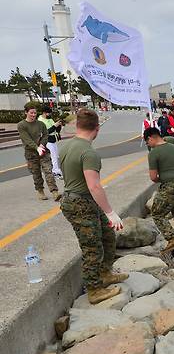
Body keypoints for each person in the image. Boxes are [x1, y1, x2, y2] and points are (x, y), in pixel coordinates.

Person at [59, 108, 128, 304]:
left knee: (107, 236)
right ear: (97, 129)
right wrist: (110, 212)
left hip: (80, 200)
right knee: (92, 248)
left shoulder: (66, 147)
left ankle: (105, 273)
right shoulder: (89, 152)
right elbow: (94, 186)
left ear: (77, 125)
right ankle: (94, 290)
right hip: (80, 202)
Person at [144, 128, 174, 256]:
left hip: (170, 186)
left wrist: (164, 178)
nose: (148, 145)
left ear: (150, 138)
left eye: (147, 142)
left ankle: (172, 239)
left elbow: (153, 177)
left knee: (157, 213)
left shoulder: (154, 153)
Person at [17, 103, 61, 201]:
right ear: (26, 112)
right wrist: (37, 148)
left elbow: (45, 135)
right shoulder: (21, 125)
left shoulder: (41, 124)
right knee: (36, 173)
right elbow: (26, 139)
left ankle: (54, 192)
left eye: (35, 113)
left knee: (48, 170)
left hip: (43, 151)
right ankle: (40, 191)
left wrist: (42, 144)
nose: (33, 115)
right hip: (31, 153)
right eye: (31, 113)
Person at [39, 107, 63, 178]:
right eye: (48, 113)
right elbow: (45, 132)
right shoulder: (40, 121)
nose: (49, 114)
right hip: (47, 141)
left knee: (55, 156)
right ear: (44, 113)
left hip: (53, 140)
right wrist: (54, 126)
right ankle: (55, 171)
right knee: (53, 156)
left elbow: (56, 130)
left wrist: (59, 125)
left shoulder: (50, 119)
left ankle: (51, 170)